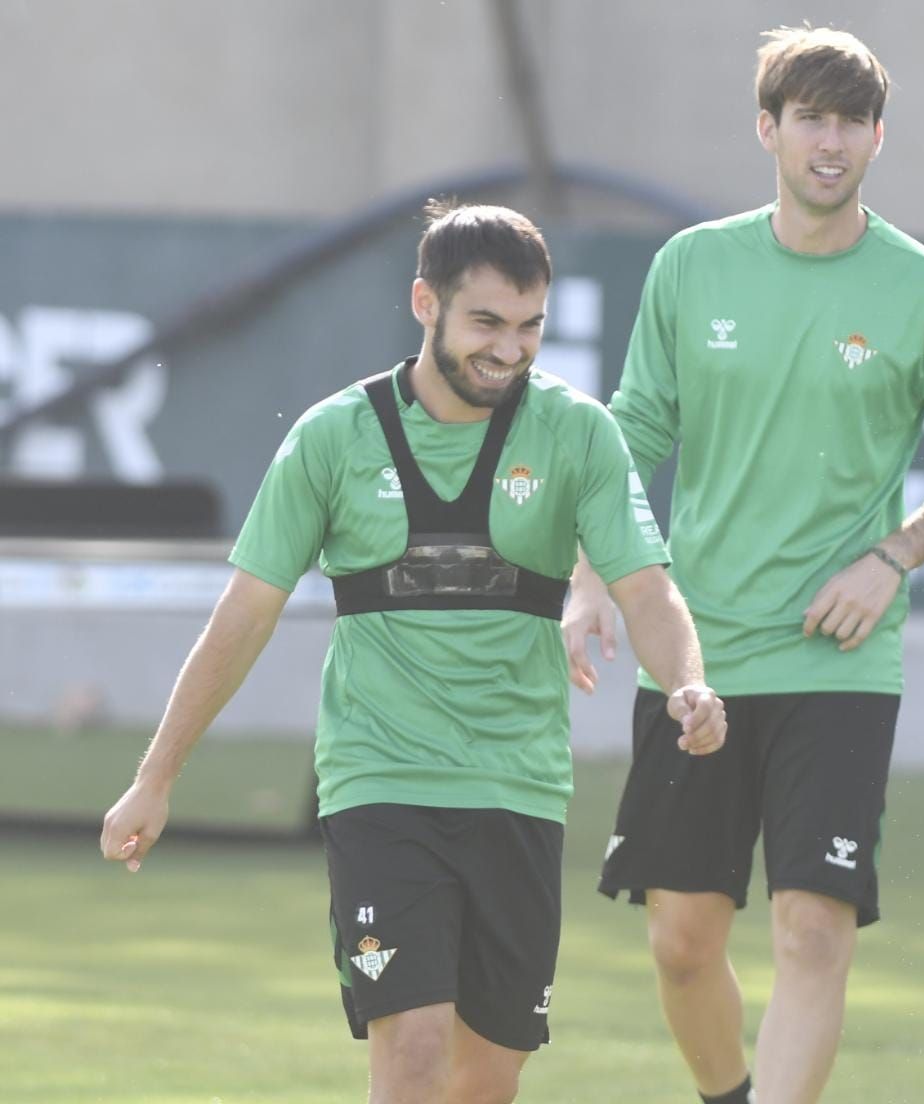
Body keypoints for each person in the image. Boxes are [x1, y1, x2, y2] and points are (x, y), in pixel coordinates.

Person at [99, 201, 727, 1104]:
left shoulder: (579, 432)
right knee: (414, 1053)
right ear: (425, 303)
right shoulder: (332, 438)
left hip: (517, 786)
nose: (509, 349)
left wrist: (689, 684)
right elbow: (242, 616)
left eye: (529, 327)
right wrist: (156, 777)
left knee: (487, 1079)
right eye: (486, 323)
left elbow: (646, 588)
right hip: (380, 784)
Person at [561, 25, 924, 1104]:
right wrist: (588, 576)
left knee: (814, 931)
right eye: (810, 118)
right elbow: (629, 432)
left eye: (852, 121)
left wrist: (893, 557)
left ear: (877, 137)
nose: (831, 141)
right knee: (681, 943)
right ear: (767, 129)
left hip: (838, 663)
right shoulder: (691, 265)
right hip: (696, 655)